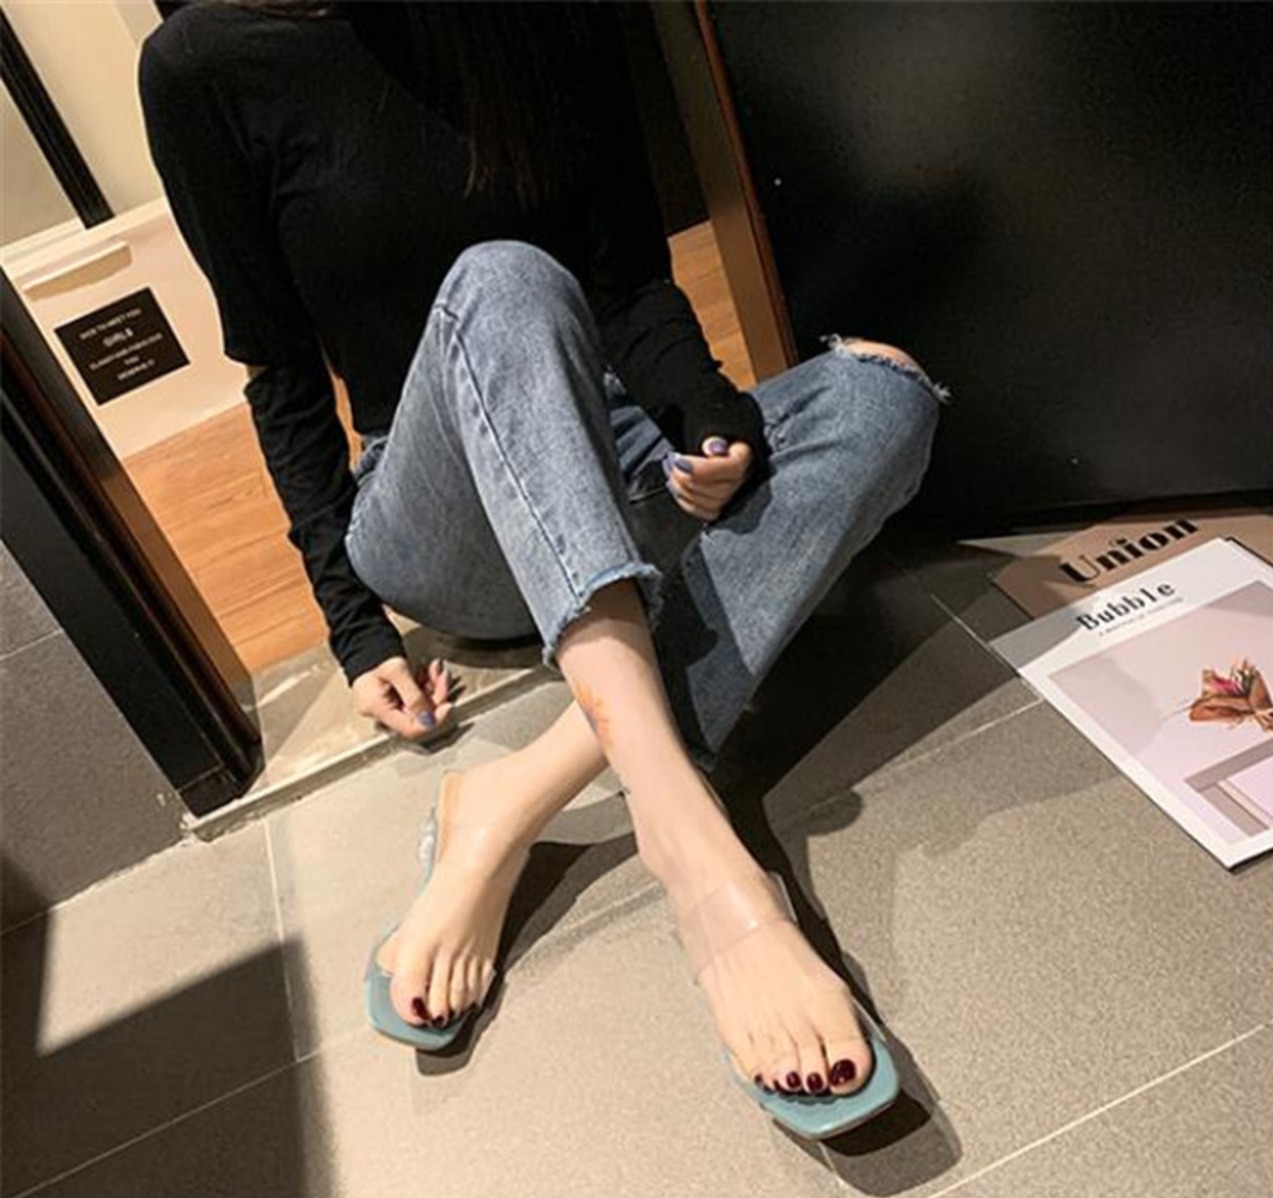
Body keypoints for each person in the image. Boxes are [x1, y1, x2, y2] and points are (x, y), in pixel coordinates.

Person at [139, 0, 945, 1138]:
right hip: (439, 513)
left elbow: (629, 282)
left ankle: (511, 798)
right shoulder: (204, 63)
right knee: (505, 278)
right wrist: (354, 626)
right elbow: (280, 375)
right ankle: (692, 848)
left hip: (610, 451)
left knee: (881, 392)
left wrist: (708, 419)